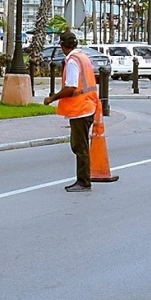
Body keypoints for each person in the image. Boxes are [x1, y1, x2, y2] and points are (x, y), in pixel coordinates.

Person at [43, 30, 99, 192]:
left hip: (81, 108)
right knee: (80, 145)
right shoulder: (83, 57)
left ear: (62, 46)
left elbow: (71, 87)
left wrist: (52, 98)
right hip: (88, 105)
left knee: (79, 146)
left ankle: (83, 181)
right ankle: (83, 180)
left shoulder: (73, 61)